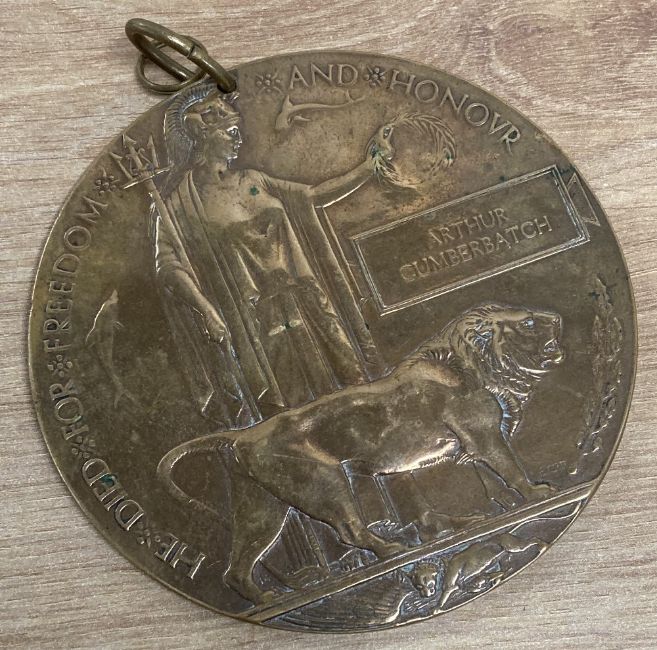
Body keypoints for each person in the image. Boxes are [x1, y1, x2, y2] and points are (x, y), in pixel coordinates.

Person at [152, 83, 455, 429]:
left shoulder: (253, 180)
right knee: (293, 411)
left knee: (346, 381)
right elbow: (168, 266)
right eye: (231, 133)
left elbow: (312, 196)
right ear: (204, 138)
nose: (240, 139)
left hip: (305, 300)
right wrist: (207, 312)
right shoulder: (178, 204)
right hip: (256, 319)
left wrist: (368, 166)